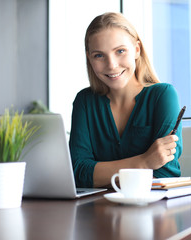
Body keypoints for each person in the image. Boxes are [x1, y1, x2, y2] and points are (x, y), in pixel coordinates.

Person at [69, 12, 182, 188]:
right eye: (99, 55)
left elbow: (163, 172)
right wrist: (145, 162)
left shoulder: (163, 96)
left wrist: (99, 173)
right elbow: (78, 172)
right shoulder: (84, 101)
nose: (112, 65)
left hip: (158, 209)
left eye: (120, 51)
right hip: (99, 211)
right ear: (89, 58)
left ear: (137, 50)